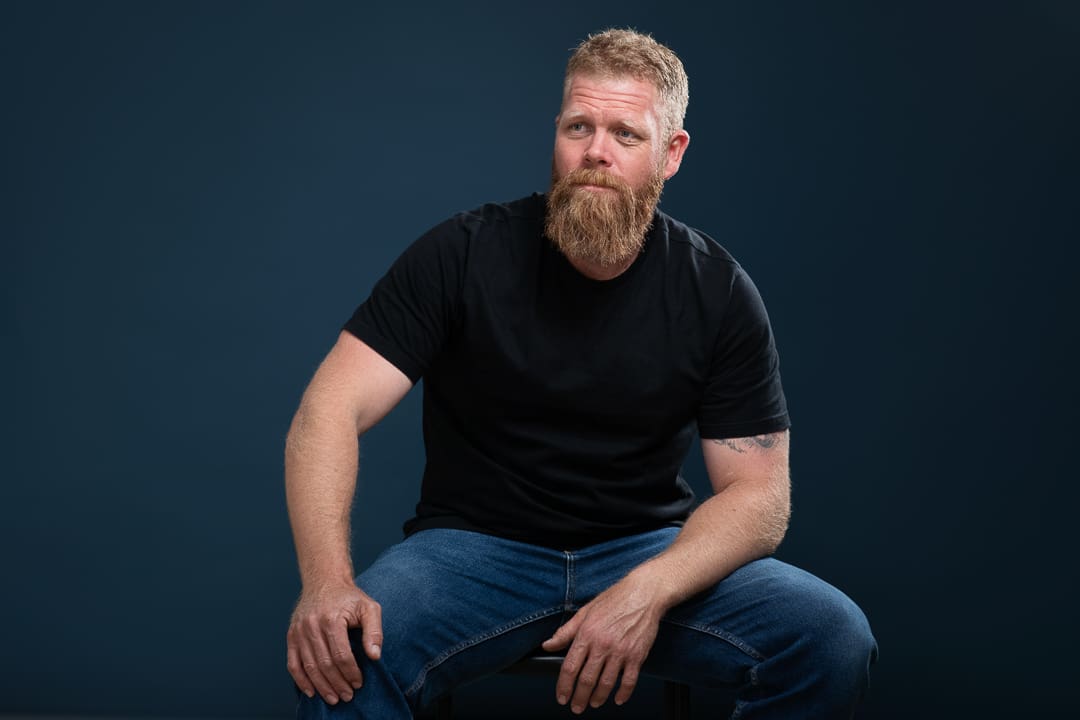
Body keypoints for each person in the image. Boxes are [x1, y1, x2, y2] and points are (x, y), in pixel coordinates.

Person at [284, 28, 877, 719]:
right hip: (472, 553)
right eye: (578, 126)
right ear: (557, 134)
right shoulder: (463, 253)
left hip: (646, 550)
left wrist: (647, 590)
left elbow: (760, 496)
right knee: (343, 657)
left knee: (830, 639)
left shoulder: (716, 289)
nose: (595, 151)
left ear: (671, 153)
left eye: (625, 134)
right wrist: (325, 583)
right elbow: (327, 410)